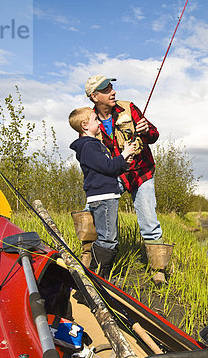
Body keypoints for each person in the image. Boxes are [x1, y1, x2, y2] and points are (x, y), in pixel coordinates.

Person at [85, 74, 170, 285]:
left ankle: (158, 270)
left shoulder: (129, 108)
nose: (113, 92)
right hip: (114, 175)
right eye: (106, 90)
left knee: (149, 220)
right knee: (90, 211)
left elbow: (154, 134)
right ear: (95, 97)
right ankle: (87, 258)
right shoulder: (88, 119)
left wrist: (147, 130)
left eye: (112, 88)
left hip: (141, 172)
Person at [69, 107, 136, 278]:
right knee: (107, 239)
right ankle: (97, 279)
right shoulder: (88, 147)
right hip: (104, 197)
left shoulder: (94, 145)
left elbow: (108, 169)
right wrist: (124, 154)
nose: (99, 122)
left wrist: (124, 161)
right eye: (95, 120)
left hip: (105, 196)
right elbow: (107, 167)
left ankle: (99, 277)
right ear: (85, 125)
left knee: (107, 237)